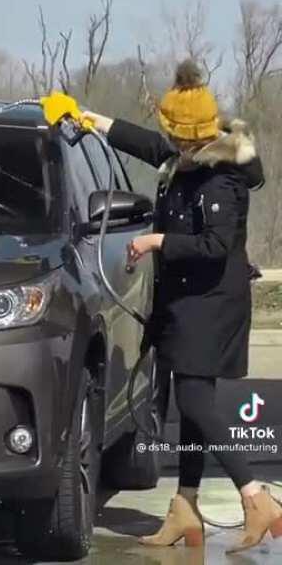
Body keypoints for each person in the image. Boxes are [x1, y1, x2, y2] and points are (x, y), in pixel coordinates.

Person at [81, 59, 282, 554]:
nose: (167, 140)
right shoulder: (188, 154)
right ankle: (185, 508)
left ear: (191, 135)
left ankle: (257, 499)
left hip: (210, 303)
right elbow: (149, 146)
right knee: (187, 409)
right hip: (189, 300)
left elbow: (215, 245)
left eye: (174, 133)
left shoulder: (219, 177)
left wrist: (155, 241)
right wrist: (89, 118)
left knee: (195, 402)